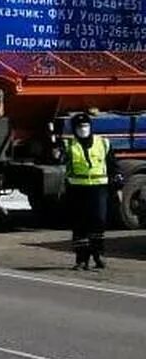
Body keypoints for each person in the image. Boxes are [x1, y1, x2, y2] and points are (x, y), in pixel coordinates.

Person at [65, 112, 111, 270]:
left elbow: (111, 163)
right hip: (77, 189)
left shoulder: (103, 143)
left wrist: (117, 180)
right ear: (74, 129)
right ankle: (81, 259)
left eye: (85, 126)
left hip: (98, 188)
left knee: (98, 222)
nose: (83, 129)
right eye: (79, 127)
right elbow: (61, 164)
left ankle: (98, 254)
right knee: (79, 225)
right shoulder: (69, 145)